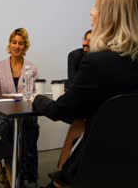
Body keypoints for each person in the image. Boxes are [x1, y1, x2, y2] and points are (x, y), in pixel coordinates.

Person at [32, 0, 138, 187]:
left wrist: (37, 100)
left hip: (96, 167)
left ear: (110, 16)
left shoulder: (96, 62)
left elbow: (60, 110)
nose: (92, 12)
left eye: (96, 7)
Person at [0, 28, 40, 188]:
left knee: (31, 128)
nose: (17, 46)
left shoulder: (32, 68)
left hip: (24, 114)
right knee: (7, 128)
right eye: (14, 42)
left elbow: (32, 95)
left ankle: (29, 176)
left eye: (21, 43)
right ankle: (10, 174)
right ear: (10, 44)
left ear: (25, 46)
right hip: (3, 115)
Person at [54, 30, 91, 171]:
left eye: (90, 40)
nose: (85, 43)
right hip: (81, 104)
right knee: (80, 120)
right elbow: (75, 86)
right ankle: (62, 172)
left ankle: (62, 174)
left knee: (81, 122)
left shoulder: (102, 60)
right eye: (85, 39)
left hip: (94, 107)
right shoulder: (75, 56)